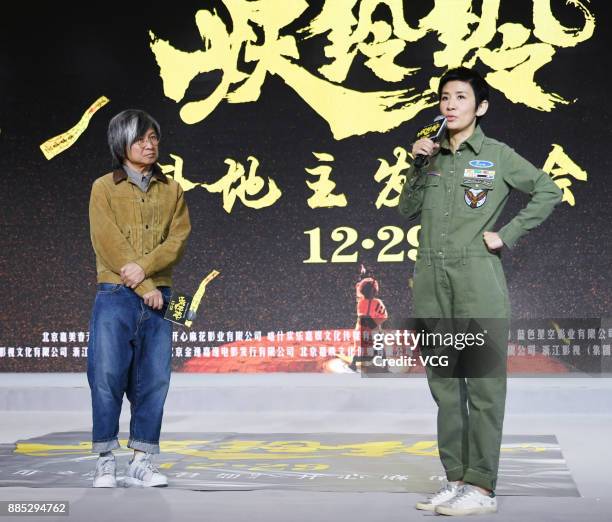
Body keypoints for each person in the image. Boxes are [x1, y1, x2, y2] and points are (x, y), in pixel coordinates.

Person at [398, 67, 562, 516]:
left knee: (483, 386)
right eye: (445, 98)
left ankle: (482, 488)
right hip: (430, 280)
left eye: (461, 97)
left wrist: (506, 234)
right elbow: (406, 210)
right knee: (445, 386)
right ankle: (455, 480)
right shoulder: (429, 157)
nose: (450, 105)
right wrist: (416, 164)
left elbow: (548, 191)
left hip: (476, 282)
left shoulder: (497, 155)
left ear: (480, 106)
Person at [87, 109, 191, 487]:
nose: (150, 145)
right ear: (121, 144)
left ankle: (143, 459)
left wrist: (147, 274)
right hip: (115, 295)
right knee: (106, 376)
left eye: (154, 138)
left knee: (154, 380)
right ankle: (104, 459)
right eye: (140, 139)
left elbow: (177, 241)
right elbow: (107, 241)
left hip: (160, 300)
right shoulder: (103, 188)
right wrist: (143, 287)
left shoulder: (173, 189)